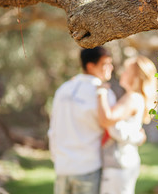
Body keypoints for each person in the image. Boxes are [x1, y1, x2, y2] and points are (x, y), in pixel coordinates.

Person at [48, 46, 117, 194]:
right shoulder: (104, 94)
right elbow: (113, 129)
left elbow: (53, 129)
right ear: (91, 66)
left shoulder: (63, 89)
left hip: (62, 166)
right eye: (106, 64)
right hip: (88, 166)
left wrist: (57, 158)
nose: (111, 67)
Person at [97, 55, 158, 194]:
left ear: (136, 77)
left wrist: (101, 94)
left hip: (119, 164)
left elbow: (113, 126)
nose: (122, 73)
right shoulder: (135, 97)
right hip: (123, 162)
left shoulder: (132, 98)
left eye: (126, 71)